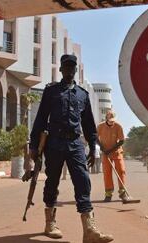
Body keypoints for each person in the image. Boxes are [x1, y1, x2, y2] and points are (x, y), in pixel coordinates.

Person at [27, 54, 113, 242]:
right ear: (61, 70)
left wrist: (93, 146)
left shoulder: (83, 94)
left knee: (83, 181)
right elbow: (41, 119)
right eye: (66, 67)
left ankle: (89, 229)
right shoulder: (51, 92)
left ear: (75, 70)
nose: (69, 70)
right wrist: (34, 146)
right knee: (52, 181)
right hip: (54, 143)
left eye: (72, 67)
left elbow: (89, 124)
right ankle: (50, 222)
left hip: (75, 144)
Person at [97, 110, 129, 202]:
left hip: (116, 152)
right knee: (107, 173)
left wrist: (111, 150)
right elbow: (95, 138)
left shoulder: (118, 126)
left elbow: (122, 141)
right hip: (105, 153)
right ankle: (108, 194)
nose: (112, 122)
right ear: (106, 118)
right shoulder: (100, 126)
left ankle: (122, 193)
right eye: (110, 120)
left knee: (121, 171)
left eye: (113, 120)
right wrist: (102, 148)